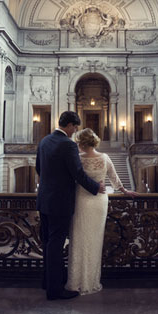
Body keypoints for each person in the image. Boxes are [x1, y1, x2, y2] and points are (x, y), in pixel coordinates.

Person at [36, 111, 105, 301]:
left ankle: (47, 282)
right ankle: (55, 290)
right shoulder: (68, 144)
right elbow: (77, 173)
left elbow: (38, 168)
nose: (75, 131)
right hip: (60, 202)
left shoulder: (44, 141)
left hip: (44, 200)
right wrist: (95, 187)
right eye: (75, 127)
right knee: (56, 245)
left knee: (48, 243)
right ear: (69, 125)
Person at [66, 128, 138, 295]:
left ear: (82, 143)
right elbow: (114, 178)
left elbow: (73, 179)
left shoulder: (78, 159)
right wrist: (124, 191)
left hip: (81, 200)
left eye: (79, 143)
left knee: (78, 240)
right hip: (99, 201)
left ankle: (76, 282)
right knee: (95, 240)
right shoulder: (105, 158)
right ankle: (91, 281)